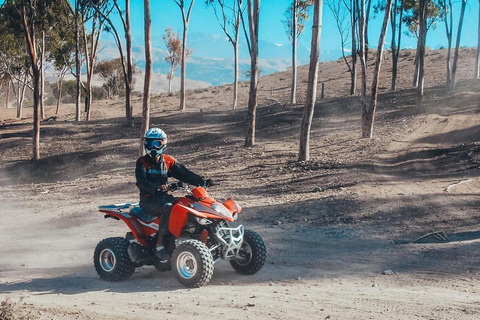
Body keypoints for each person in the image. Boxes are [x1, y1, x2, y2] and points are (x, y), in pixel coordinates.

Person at [135, 128, 208, 260]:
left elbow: (185, 174)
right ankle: (159, 245)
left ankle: (188, 238)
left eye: (157, 143)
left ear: (163, 144)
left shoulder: (168, 161)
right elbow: (141, 182)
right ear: (146, 144)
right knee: (168, 207)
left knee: (186, 205)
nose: (153, 147)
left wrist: (201, 181)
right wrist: (156, 188)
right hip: (148, 200)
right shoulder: (142, 162)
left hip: (164, 197)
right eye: (150, 144)